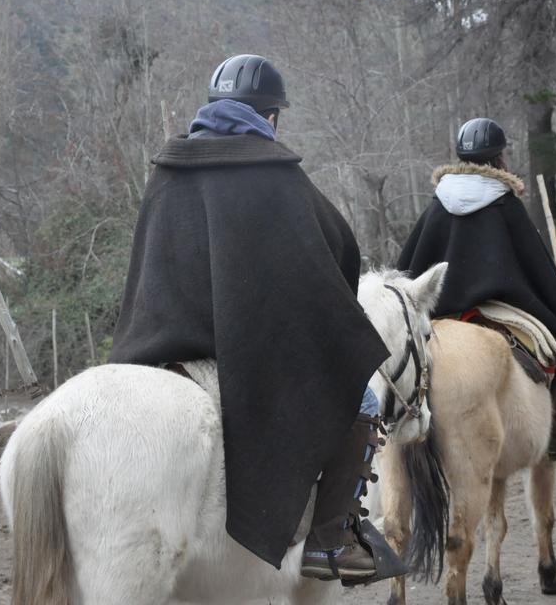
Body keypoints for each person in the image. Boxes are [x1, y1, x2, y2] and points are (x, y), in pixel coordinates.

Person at [108, 54, 404, 583]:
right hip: (238, 352)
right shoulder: (276, 174)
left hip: (155, 347)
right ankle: (332, 540)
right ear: (270, 117)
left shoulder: (167, 170)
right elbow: (337, 249)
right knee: (360, 397)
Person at [396, 117, 556, 459]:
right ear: (499, 158)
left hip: (441, 308)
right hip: (506, 303)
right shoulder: (505, 203)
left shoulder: (438, 202)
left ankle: (387, 418)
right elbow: (539, 270)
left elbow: (410, 263)